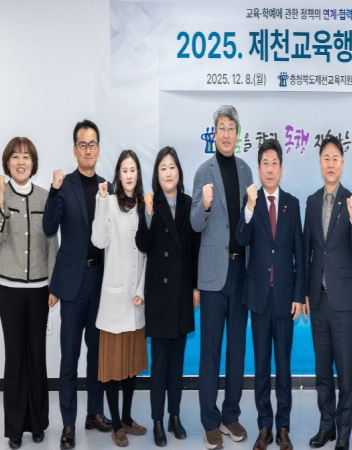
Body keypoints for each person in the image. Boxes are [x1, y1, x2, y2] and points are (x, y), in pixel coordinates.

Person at [0, 137, 59, 449]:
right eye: (15, 156)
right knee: (14, 357)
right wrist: (2, 199)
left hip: (40, 289)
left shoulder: (44, 197)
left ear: (33, 163)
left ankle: (38, 423)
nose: (21, 162)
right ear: (7, 162)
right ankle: (15, 427)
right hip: (10, 290)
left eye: (26, 156)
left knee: (37, 356)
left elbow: (52, 242)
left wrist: (53, 285)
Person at [43, 119, 113, 449]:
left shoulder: (105, 187)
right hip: (71, 285)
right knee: (69, 358)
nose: (88, 150)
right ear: (75, 150)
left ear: (98, 148)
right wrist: (53, 190)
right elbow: (48, 228)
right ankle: (69, 423)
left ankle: (94, 413)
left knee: (97, 354)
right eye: (82, 144)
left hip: (100, 282)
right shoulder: (64, 185)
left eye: (92, 144)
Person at [236, 139, 305, 450]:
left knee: (284, 368)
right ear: (259, 168)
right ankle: (264, 426)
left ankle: (283, 428)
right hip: (260, 299)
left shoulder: (292, 203)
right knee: (262, 367)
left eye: (274, 163)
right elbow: (241, 239)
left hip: (285, 300)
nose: (269, 168)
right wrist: (249, 208)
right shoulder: (250, 202)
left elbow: (299, 254)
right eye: (264, 163)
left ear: (281, 168)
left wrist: (299, 294)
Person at [191, 105, 253, 450]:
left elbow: (248, 223)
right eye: (222, 128)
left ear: (237, 134)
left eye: (231, 128)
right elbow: (194, 223)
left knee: (237, 350)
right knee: (211, 351)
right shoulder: (204, 171)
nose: (226, 134)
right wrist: (205, 204)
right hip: (214, 276)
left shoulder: (245, 170)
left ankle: (231, 414)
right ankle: (210, 421)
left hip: (241, 273)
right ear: (214, 134)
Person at [303, 135, 352, 450]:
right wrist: (304, 293)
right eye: (326, 158)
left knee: (345, 371)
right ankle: (326, 426)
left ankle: (344, 432)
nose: (330, 164)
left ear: (342, 164)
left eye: (335, 159)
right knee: (322, 370)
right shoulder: (312, 201)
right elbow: (306, 251)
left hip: (343, 302)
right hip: (318, 299)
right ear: (320, 163)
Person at [136, 146, 200, 447]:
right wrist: (148, 214)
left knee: (177, 364)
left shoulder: (188, 203)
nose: (168, 172)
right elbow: (143, 243)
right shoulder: (151, 203)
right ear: (157, 174)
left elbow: (194, 250)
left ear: (179, 171)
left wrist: (196, 287)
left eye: (172, 166)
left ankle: (175, 416)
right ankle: (158, 421)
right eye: (163, 168)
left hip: (183, 293)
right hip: (160, 296)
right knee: (159, 364)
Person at [91, 149, 148, 447]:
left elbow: (148, 254)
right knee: (113, 368)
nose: (129, 175)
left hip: (135, 300)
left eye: (133, 170)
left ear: (138, 174)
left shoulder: (144, 206)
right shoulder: (110, 203)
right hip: (114, 301)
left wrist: (141, 290)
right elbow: (99, 240)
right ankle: (115, 425)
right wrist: (101, 202)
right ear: (118, 174)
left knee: (130, 367)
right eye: (124, 170)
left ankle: (126, 418)